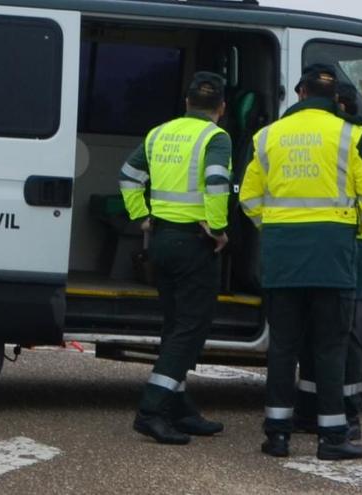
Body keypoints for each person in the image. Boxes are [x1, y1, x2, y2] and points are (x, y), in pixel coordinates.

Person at [239, 64, 362, 460]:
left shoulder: (268, 136)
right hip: (332, 257)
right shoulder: (350, 135)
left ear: (301, 93)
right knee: (329, 348)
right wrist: (357, 231)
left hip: (282, 257)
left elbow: (249, 197)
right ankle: (332, 439)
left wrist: (272, 226)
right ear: (332, 95)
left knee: (283, 348)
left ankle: (277, 436)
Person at [119, 71, 232, 445]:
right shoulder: (216, 137)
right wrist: (217, 229)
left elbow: (128, 175)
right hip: (195, 245)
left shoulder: (159, 133)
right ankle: (152, 409)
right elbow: (217, 184)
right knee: (190, 330)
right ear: (221, 108)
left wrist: (141, 216)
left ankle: (180, 408)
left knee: (175, 326)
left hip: (163, 242)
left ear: (186, 103)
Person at [294, 82, 362, 444]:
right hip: (337, 242)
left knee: (341, 329)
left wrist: (353, 231)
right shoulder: (337, 136)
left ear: (341, 104)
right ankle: (309, 406)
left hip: (353, 243)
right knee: (318, 328)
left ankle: (349, 412)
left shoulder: (356, 135)